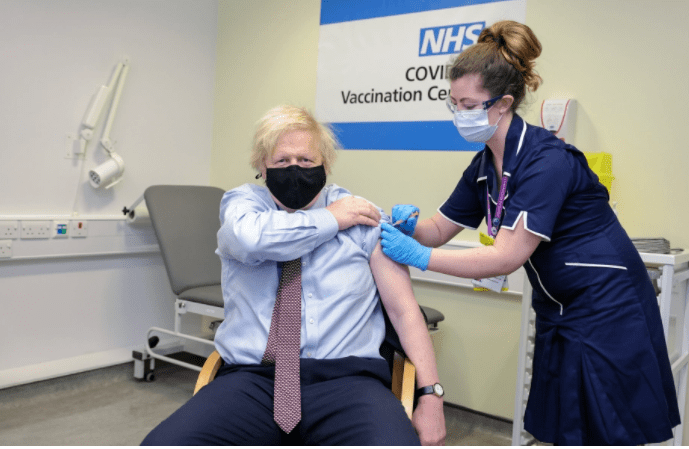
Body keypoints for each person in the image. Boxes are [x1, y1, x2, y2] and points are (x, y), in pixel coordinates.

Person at [379, 20, 680, 446]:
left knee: (610, 429)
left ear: (502, 104)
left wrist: (416, 256)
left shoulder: (546, 161)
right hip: (560, 307)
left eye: (468, 104)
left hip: (607, 305)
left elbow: (505, 257)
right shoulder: (485, 165)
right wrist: (413, 227)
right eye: (453, 103)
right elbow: (439, 229)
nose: (459, 114)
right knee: (567, 428)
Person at [142, 105, 446, 446]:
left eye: (305, 160)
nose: (295, 170)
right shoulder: (243, 207)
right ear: (261, 165)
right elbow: (250, 239)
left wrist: (431, 396)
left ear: (326, 164)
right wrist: (331, 219)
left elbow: (404, 312)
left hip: (349, 382)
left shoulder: (361, 215)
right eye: (282, 161)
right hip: (252, 381)